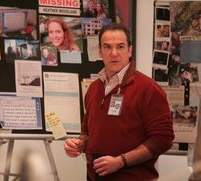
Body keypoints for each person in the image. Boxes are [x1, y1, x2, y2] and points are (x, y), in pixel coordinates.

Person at [64, 23, 174, 181]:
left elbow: (163, 139)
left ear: (129, 50)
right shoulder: (94, 88)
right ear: (100, 51)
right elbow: (87, 133)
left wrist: (121, 161)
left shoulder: (148, 89)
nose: (114, 53)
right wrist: (78, 144)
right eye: (107, 47)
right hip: (94, 177)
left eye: (120, 46)